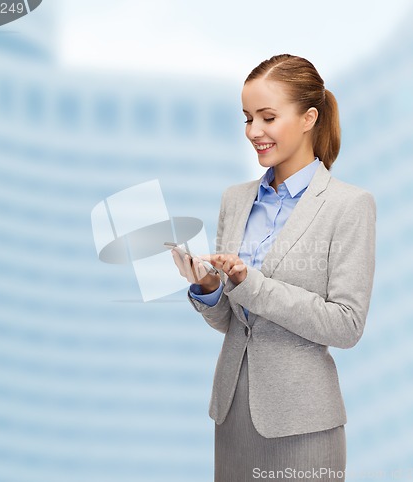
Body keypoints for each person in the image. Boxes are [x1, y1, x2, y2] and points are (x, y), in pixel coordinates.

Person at [171, 54, 376, 482]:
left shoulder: (349, 205)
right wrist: (209, 288)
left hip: (302, 424)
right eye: (247, 119)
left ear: (309, 118)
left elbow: (347, 325)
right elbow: (232, 321)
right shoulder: (236, 198)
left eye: (267, 117)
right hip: (232, 414)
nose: (254, 132)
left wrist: (251, 283)